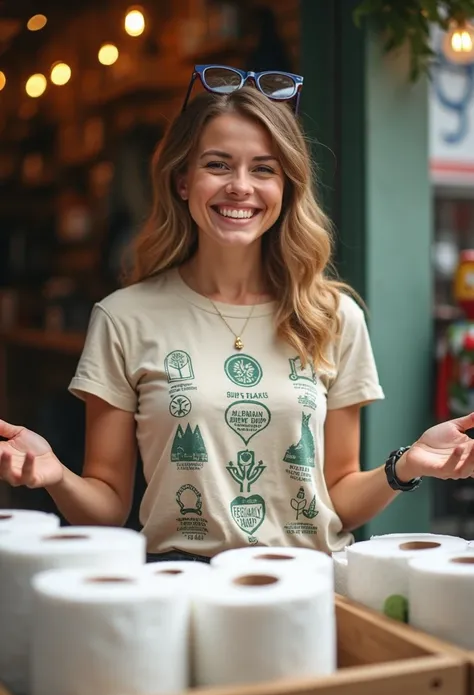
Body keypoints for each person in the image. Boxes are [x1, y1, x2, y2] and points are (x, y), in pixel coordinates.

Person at [0, 65, 473, 564]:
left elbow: (338, 496)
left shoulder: (333, 316)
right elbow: (107, 508)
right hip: (182, 584)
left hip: (308, 582)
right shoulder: (123, 318)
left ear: (287, 187)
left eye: (263, 169)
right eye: (218, 165)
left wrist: (407, 465)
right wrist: (53, 473)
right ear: (183, 181)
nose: (240, 186)